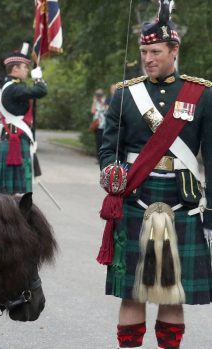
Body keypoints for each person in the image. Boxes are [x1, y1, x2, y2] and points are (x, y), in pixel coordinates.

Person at [98, 2, 212, 348]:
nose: (148, 58)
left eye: (155, 51)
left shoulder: (202, 95)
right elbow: (107, 147)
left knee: (172, 294)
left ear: (174, 51)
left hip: (183, 199)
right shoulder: (125, 95)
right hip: (135, 196)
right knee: (132, 293)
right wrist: (110, 172)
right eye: (144, 51)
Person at [0, 45, 47, 194]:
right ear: (15, 69)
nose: (27, 70)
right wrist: (38, 78)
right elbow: (41, 91)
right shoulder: (13, 88)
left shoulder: (11, 86)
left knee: (11, 190)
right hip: (15, 136)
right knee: (11, 191)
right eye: (24, 67)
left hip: (15, 134)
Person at [90, 88, 107, 160]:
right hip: (97, 126)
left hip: (105, 125)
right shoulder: (95, 103)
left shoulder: (106, 102)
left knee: (104, 142)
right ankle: (98, 158)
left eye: (100, 95)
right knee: (98, 142)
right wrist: (94, 101)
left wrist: (103, 102)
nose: (99, 97)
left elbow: (107, 110)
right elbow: (92, 112)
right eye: (98, 95)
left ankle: (103, 158)